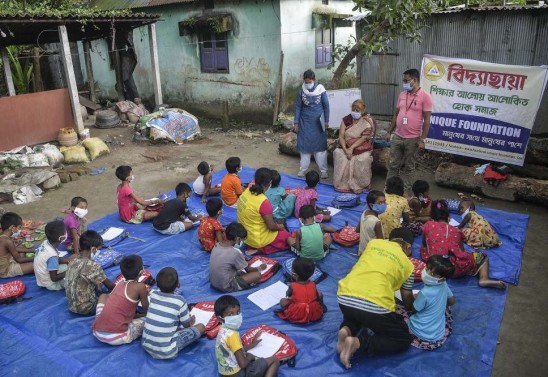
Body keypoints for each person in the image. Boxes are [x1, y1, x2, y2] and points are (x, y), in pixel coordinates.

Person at [337, 228, 416, 369]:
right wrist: (412, 308)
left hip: (344, 297)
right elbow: (406, 297)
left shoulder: (374, 243)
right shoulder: (408, 265)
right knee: (402, 338)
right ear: (408, 247)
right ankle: (357, 343)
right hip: (375, 305)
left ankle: (346, 329)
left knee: (358, 314)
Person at [421, 200, 505, 289]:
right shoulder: (457, 231)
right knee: (482, 257)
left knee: (425, 250)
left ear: (432, 216)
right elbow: (462, 251)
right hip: (455, 270)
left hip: (436, 267)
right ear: (448, 217)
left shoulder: (428, 225)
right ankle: (484, 278)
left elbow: (424, 244)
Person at [385, 68, 433, 193]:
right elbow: (396, 114)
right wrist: (389, 131)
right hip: (398, 136)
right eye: (403, 80)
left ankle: (406, 192)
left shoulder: (425, 97)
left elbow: (427, 120)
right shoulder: (402, 95)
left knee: (409, 167)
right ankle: (389, 190)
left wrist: (422, 139)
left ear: (414, 80)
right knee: (393, 165)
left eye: (406, 80)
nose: (404, 83)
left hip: (413, 138)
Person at [142, 267, 205, 359]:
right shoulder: (180, 300)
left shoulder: (153, 294)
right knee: (201, 327)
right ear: (178, 285)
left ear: (157, 285)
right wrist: (191, 320)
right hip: (166, 351)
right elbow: (187, 325)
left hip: (146, 344)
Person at [214, 295, 280, 377]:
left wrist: (252, 345)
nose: (236, 316)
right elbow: (243, 364)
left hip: (225, 373)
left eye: (238, 312)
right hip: (238, 374)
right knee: (274, 360)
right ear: (220, 319)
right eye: (230, 314)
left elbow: (235, 350)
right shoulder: (232, 335)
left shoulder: (222, 331)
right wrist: (250, 357)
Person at [92, 255, 149, 345]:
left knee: (103, 296)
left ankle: (103, 319)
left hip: (97, 331)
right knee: (149, 320)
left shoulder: (119, 284)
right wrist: (140, 315)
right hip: (116, 336)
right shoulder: (141, 287)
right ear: (141, 272)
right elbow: (147, 311)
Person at [237, 168, 295, 254]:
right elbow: (271, 226)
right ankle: (260, 249)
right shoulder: (263, 201)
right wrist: (280, 227)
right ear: (269, 183)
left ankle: (256, 247)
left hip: (244, 236)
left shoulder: (246, 192)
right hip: (256, 239)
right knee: (285, 235)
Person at [408, 255, 456, 349]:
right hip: (438, 333)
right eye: (427, 268)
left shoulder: (425, 293)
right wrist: (439, 305)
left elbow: (414, 309)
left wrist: (415, 298)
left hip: (420, 331)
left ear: (442, 279)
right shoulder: (444, 284)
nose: (427, 273)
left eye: (433, 274)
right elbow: (452, 301)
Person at [65, 231, 115, 315]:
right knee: (109, 297)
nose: (99, 252)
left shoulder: (73, 260)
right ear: (93, 249)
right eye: (99, 249)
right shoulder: (93, 266)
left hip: (71, 306)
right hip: (87, 308)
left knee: (97, 283)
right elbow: (110, 286)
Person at [333, 99, 376, 193]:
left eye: (358, 109)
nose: (355, 111)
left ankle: (361, 184)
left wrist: (351, 149)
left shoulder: (366, 121)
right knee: (338, 154)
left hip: (361, 146)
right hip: (346, 145)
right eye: (354, 109)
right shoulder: (346, 119)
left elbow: (364, 138)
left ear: (363, 109)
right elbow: (341, 136)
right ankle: (343, 184)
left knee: (363, 158)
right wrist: (345, 149)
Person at [293, 69, 330, 179]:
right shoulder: (301, 90)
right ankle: (303, 169)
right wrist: (296, 122)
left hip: (319, 122)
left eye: (309, 82)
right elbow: (298, 107)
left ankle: (323, 171)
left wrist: (327, 121)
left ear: (314, 80)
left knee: (320, 147)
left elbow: (326, 106)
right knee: (304, 146)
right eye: (306, 82)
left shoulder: (321, 89)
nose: (308, 84)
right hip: (305, 122)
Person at [209, 223, 266, 292]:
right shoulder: (235, 252)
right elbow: (248, 270)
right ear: (237, 239)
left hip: (214, 282)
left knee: (241, 268)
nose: (242, 242)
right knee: (257, 275)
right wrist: (260, 268)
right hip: (226, 286)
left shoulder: (217, 245)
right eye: (242, 240)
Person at [276, 257, 326, 324]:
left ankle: (293, 313)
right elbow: (317, 296)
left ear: (294, 275)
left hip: (298, 313)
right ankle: (321, 307)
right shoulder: (313, 284)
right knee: (320, 294)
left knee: (282, 301)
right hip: (313, 313)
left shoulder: (292, 285)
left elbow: (288, 295)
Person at [34, 220, 72, 290]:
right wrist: (70, 272)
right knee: (73, 278)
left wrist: (68, 261)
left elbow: (56, 259)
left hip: (41, 277)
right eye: (65, 232)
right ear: (60, 238)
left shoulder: (46, 243)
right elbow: (54, 278)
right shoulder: (52, 256)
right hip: (50, 283)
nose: (67, 233)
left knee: (68, 265)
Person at [0, 212, 34, 278]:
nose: (19, 230)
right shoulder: (7, 241)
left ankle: (21, 265)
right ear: (12, 227)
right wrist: (35, 258)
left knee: (21, 250)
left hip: (7, 261)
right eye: (19, 227)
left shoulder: (3, 236)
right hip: (5, 270)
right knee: (34, 266)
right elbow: (19, 259)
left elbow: (15, 249)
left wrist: (33, 250)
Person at [355, 190, 386, 255]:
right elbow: (381, 243)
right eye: (380, 203)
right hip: (371, 254)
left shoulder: (364, 212)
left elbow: (357, 230)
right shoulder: (377, 222)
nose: (383, 205)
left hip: (362, 251)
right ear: (372, 205)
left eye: (384, 202)